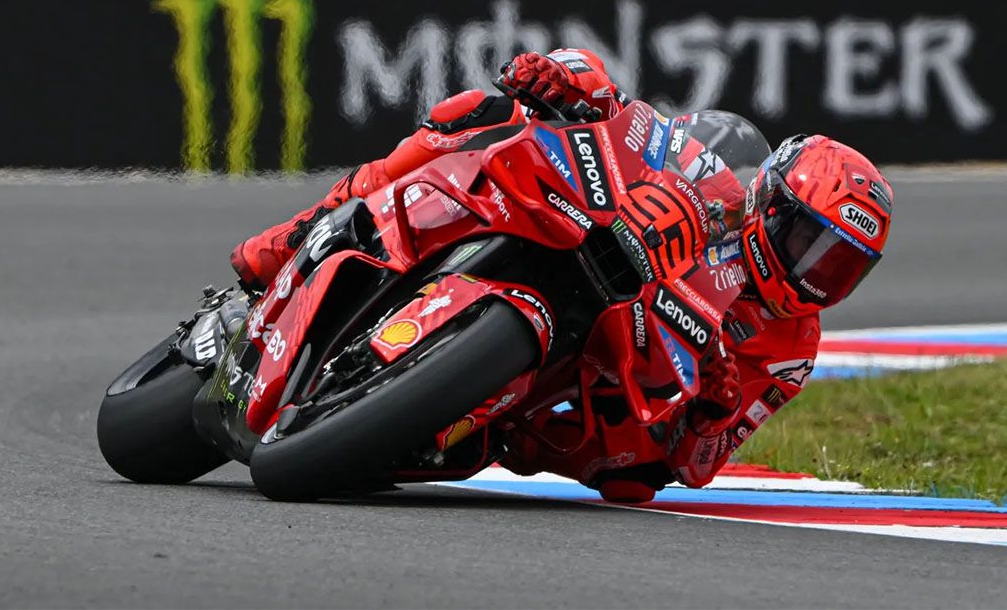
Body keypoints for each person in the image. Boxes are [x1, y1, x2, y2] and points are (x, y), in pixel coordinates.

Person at [230, 49, 894, 503]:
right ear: (770, 200)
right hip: (587, 239)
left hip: (595, 404)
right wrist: (567, 83)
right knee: (475, 115)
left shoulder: (791, 348)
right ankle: (292, 237)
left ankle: (417, 404)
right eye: (808, 240)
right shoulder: (719, 189)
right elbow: (637, 125)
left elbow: (696, 466)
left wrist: (712, 411)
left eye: (837, 265)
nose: (812, 270)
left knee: (632, 481)